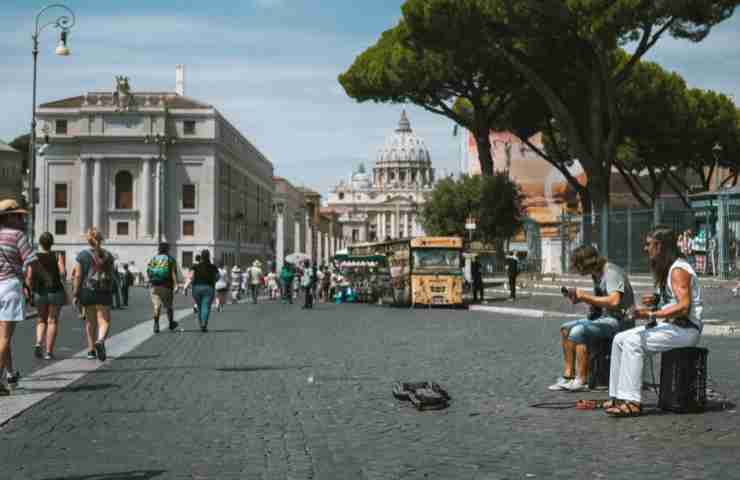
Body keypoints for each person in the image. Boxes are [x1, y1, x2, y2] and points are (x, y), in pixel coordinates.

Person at [605, 226, 703, 417]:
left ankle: (633, 402)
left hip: (686, 331)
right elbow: (673, 302)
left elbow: (684, 307)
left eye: (649, 244)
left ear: (659, 246)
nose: (645, 248)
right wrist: (657, 300)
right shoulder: (670, 268)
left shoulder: (678, 271)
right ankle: (617, 396)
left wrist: (651, 314)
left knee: (634, 343)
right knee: (619, 339)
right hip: (673, 326)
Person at [549, 245, 635, 393]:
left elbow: (614, 301)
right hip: (606, 318)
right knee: (565, 329)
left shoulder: (612, 272)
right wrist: (579, 299)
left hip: (621, 320)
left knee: (579, 331)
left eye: (577, 264)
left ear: (586, 262)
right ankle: (568, 376)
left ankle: (581, 380)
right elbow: (599, 302)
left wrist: (584, 296)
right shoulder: (596, 274)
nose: (576, 268)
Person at [0, 200, 37, 394]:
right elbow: (30, 262)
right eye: (18, 215)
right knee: (5, 338)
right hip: (10, 287)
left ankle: (10, 375)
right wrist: (30, 286)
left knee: (1, 339)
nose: (21, 218)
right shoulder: (18, 235)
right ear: (10, 217)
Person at [72, 227, 115, 361]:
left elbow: (78, 275)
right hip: (104, 291)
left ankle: (91, 350)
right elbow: (112, 275)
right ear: (101, 239)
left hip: (87, 291)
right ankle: (100, 341)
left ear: (88, 240)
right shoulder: (108, 255)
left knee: (90, 322)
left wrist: (75, 293)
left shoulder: (82, 255)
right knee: (104, 320)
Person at [29, 232, 66, 360]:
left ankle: (39, 342)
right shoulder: (57, 255)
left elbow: (29, 276)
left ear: (40, 243)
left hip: (40, 292)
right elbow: (62, 272)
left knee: (40, 319)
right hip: (55, 291)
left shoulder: (34, 256)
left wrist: (30, 290)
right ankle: (49, 352)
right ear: (52, 243)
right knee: (52, 320)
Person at [146, 242, 179, 334]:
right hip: (167, 286)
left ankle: (156, 324)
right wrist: (176, 285)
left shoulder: (154, 259)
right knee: (169, 306)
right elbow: (173, 273)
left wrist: (150, 281)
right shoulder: (170, 259)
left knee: (156, 306)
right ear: (168, 249)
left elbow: (148, 271)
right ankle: (171, 323)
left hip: (154, 285)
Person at [183, 249, 219, 332]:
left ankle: (200, 324)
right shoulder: (213, 267)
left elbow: (190, 278)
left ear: (201, 256)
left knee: (199, 307)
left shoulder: (195, 266)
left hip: (196, 288)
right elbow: (217, 277)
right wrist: (213, 280)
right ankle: (204, 324)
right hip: (209, 288)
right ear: (208, 256)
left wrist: (185, 287)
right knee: (206, 306)